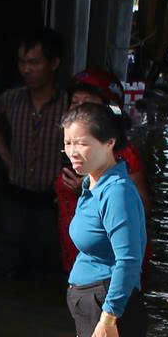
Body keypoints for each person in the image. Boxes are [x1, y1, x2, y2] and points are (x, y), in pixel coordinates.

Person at [63, 101, 147, 337]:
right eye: (68, 143)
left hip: (108, 307)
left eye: (82, 143)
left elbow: (128, 261)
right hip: (88, 303)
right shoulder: (91, 185)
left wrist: (109, 317)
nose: (73, 152)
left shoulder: (117, 192)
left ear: (109, 142)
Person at [0, 26, 69, 281]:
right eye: (22, 62)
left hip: (53, 199)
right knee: (7, 261)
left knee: (49, 265)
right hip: (16, 194)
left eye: (34, 62)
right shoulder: (12, 99)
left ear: (53, 64)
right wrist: (6, 157)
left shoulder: (68, 103)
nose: (26, 69)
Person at [54, 69, 150, 276]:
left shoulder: (122, 153)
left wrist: (89, 188)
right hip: (78, 264)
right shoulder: (71, 149)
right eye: (74, 102)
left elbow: (141, 205)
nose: (78, 110)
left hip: (108, 270)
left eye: (87, 104)